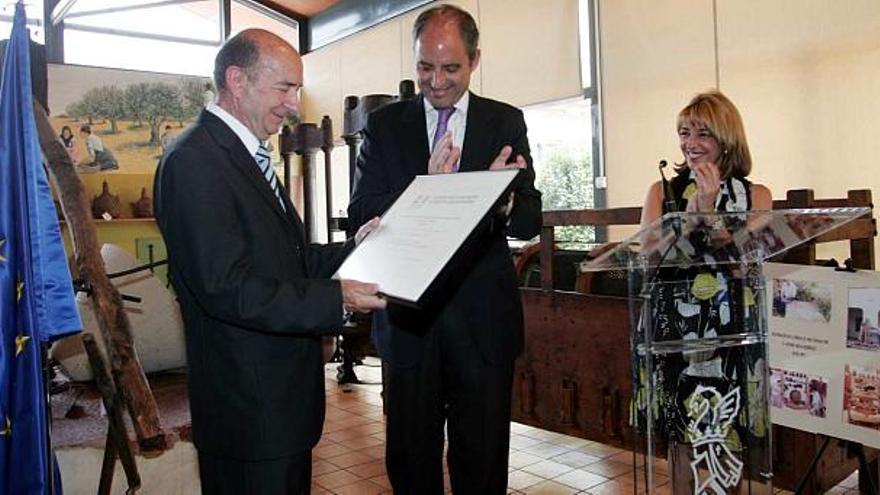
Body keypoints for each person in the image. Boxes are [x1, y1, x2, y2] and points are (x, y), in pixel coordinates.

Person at [153, 29, 385, 495]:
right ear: (237, 81)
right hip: (248, 412)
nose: (295, 105)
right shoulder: (195, 161)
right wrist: (333, 299)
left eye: (296, 89)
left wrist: (358, 247)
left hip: (277, 409)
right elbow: (226, 286)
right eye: (285, 88)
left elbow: (289, 260)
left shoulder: (246, 155)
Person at [348, 5, 542, 494]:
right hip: (411, 325)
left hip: (483, 323)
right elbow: (361, 212)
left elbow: (530, 218)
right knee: (411, 462)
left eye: (450, 68)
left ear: (475, 59)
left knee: (482, 462)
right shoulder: (385, 126)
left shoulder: (504, 122)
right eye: (424, 67)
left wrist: (505, 198)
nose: (435, 82)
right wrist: (427, 190)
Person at [637, 90, 772, 492]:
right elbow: (647, 255)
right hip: (676, 329)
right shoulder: (662, 192)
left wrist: (709, 216)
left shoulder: (757, 195)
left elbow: (744, 261)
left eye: (702, 133)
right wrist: (691, 215)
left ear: (727, 140)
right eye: (683, 132)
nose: (690, 144)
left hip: (734, 328)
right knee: (681, 431)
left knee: (728, 428)